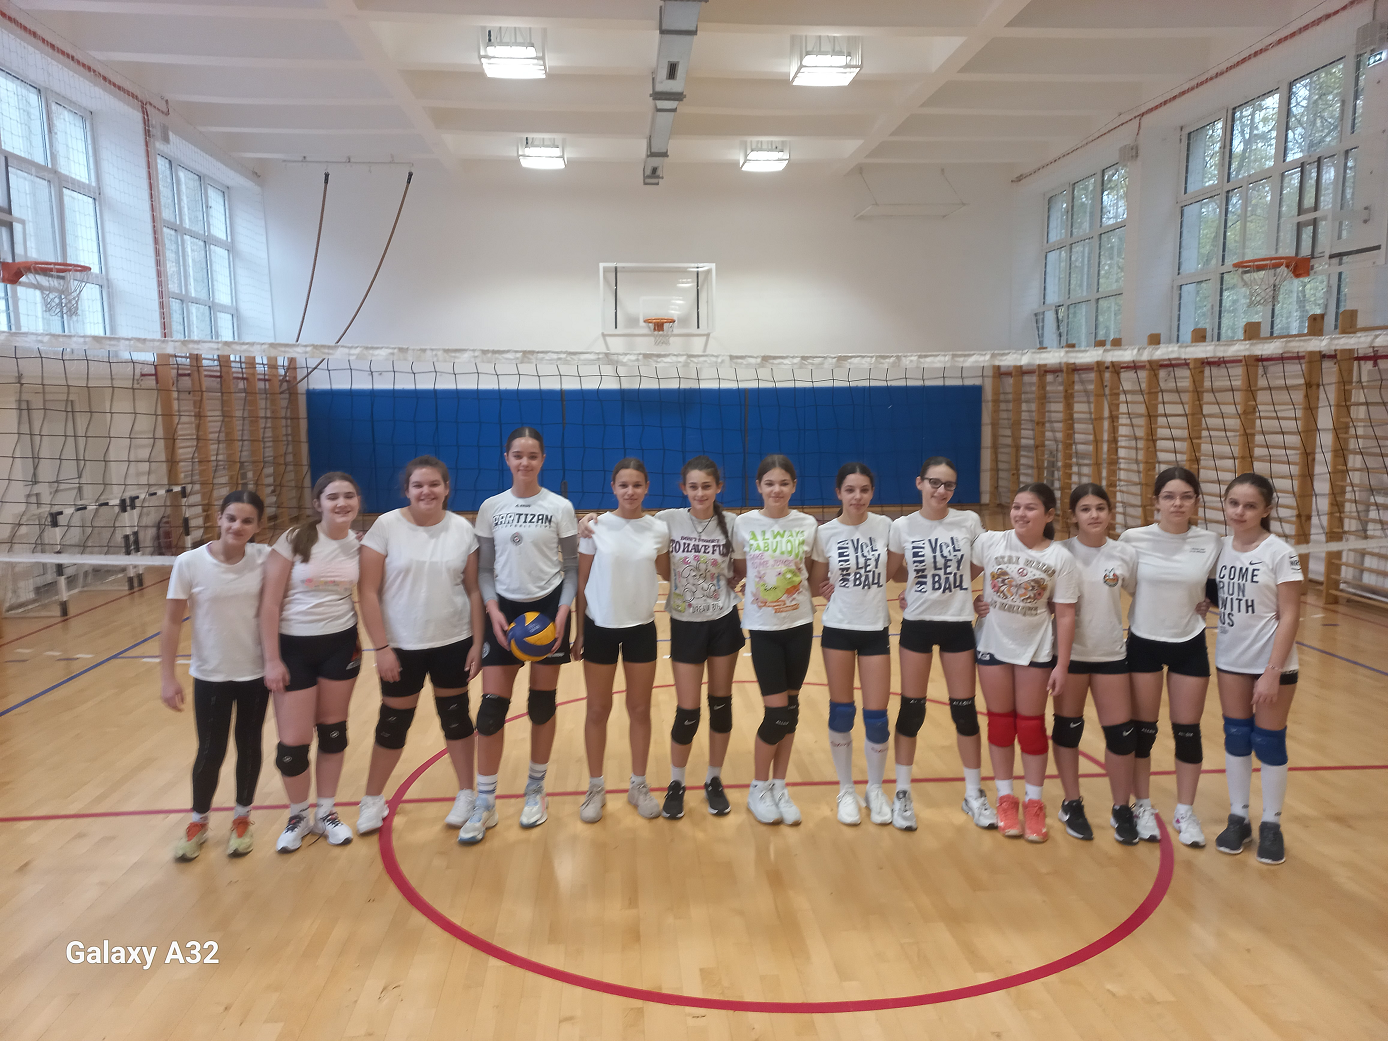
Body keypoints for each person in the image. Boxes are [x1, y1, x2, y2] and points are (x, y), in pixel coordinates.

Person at [459, 427, 578, 844]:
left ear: (542, 459)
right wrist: (492, 608)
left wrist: (563, 611)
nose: (525, 462)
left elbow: (572, 568)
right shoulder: (491, 507)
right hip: (504, 612)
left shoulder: (560, 506)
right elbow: (484, 569)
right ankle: (485, 802)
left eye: (532, 456)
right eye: (518, 455)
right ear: (506, 458)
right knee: (491, 711)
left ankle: (535, 790)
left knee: (542, 706)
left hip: (548, 610)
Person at [355, 456, 483, 840]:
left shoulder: (462, 529)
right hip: (401, 646)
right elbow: (367, 591)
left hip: (453, 640)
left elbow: (473, 590)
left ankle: (466, 794)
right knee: (393, 723)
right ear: (407, 490)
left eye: (434, 484)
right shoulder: (385, 527)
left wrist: (478, 643)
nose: (426, 491)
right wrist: (381, 648)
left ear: (447, 488)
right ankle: (372, 800)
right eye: (418, 485)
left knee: (456, 718)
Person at [161, 491, 271, 861]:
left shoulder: (266, 558)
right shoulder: (189, 562)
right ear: (219, 519)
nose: (238, 526)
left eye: (247, 520)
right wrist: (167, 677)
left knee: (249, 745)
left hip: (255, 672)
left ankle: (242, 818)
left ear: (258, 526)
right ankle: (199, 822)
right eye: (231, 518)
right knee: (210, 750)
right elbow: (171, 621)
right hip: (210, 674)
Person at [888, 456, 995, 831]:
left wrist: (965, 587)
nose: (941, 490)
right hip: (917, 625)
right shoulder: (902, 526)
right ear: (920, 483)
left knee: (964, 712)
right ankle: (902, 793)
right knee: (912, 711)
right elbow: (893, 571)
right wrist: (915, 585)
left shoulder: (968, 521)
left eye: (948, 485)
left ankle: (974, 794)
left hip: (957, 625)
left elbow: (983, 561)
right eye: (934, 482)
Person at [259, 472, 363, 852]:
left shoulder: (360, 544)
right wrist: (272, 659)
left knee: (334, 733)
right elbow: (269, 604)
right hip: (293, 647)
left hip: (341, 644)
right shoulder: (294, 539)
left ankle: (327, 812)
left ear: (357, 501)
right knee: (293, 746)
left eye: (349, 496)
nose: (342, 503)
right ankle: (298, 815)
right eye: (332, 496)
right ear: (318, 503)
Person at [1119, 466, 1221, 848]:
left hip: (1189, 642)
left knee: (1188, 732)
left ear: (1196, 501)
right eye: (1169, 496)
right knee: (1143, 731)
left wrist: (1210, 600)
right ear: (1156, 501)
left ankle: (1185, 811)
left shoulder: (1211, 541)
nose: (1177, 503)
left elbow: (1217, 585)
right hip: (1144, 641)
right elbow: (1125, 584)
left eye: (1186, 496)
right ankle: (1142, 806)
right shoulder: (1133, 539)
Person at [972, 482, 1078, 843]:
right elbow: (958, 578)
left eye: (1030, 508)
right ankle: (1005, 799)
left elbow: (1065, 615)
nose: (1020, 513)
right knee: (1000, 724)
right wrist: (971, 601)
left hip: (1035, 650)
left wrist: (1062, 665)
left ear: (1049, 515)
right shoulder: (991, 542)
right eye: (1016, 506)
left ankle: (1034, 803)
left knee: (1031, 727)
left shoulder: (1060, 558)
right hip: (992, 645)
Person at [1212, 473, 1302, 865]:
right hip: (1231, 660)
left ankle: (1272, 824)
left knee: (1268, 741)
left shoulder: (1280, 552)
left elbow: (1290, 614)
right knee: (1236, 736)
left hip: (1272, 664)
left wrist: (1272, 671)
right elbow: (1221, 593)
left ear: (1266, 510)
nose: (1240, 511)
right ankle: (1238, 817)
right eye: (1233, 503)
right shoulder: (1218, 548)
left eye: (1250, 506)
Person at [574, 459, 670, 822]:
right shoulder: (595, 527)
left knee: (640, 709)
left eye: (637, 485)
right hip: (600, 627)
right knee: (597, 709)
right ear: (613, 487)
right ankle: (595, 787)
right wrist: (579, 632)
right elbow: (582, 582)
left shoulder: (657, 529)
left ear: (647, 488)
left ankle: (638, 785)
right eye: (624, 485)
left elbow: (668, 571)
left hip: (641, 629)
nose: (630, 491)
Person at [735, 454, 826, 825]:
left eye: (784, 483)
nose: (777, 490)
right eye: (769, 483)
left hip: (800, 624)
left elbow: (813, 577)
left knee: (791, 711)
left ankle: (779, 786)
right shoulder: (743, 524)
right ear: (758, 486)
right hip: (763, 629)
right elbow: (739, 569)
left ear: (793, 486)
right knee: (775, 715)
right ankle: (758, 788)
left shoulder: (807, 525)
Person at [656, 455, 744, 818]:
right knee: (688, 712)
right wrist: (589, 522)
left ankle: (713, 779)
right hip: (686, 623)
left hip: (723, 621)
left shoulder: (733, 523)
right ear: (683, 488)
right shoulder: (668, 520)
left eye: (707, 486)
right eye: (693, 487)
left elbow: (740, 570)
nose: (700, 493)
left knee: (721, 706)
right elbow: (659, 561)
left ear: (718, 487)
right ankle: (677, 782)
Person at [815, 463, 899, 827]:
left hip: (875, 628)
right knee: (842, 712)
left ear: (872, 492)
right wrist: (821, 588)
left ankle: (875, 789)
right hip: (838, 628)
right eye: (850, 490)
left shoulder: (886, 527)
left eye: (864, 490)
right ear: (838, 493)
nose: (857, 497)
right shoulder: (825, 533)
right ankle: (846, 790)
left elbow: (898, 571)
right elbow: (815, 581)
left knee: (877, 718)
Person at [1056, 483, 1141, 845]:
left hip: (1111, 655)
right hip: (1069, 657)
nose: (1094, 515)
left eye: (1100, 508)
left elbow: (1144, 593)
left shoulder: (1124, 554)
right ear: (1073, 516)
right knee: (1068, 730)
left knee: (1121, 736)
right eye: (1086, 509)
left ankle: (1121, 808)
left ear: (1110, 512)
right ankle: (1071, 803)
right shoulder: (1060, 553)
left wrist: (1199, 603)